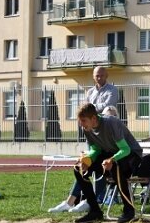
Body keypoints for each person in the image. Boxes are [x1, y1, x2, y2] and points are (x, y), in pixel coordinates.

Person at [48, 67, 118, 214]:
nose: (98, 78)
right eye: (96, 76)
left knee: (97, 163)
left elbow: (106, 108)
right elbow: (85, 109)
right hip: (95, 139)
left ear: (107, 76)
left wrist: (91, 109)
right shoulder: (90, 92)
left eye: (101, 75)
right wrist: (91, 110)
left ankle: (92, 200)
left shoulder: (112, 91)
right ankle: (70, 202)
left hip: (109, 150)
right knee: (84, 163)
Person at [71, 102, 142, 223]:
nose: (81, 124)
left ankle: (129, 211)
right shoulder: (87, 129)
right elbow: (96, 149)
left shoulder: (111, 123)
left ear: (93, 118)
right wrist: (87, 160)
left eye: (83, 120)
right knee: (79, 169)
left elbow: (125, 149)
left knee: (115, 166)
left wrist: (112, 159)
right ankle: (95, 211)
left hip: (132, 155)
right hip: (112, 154)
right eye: (80, 121)